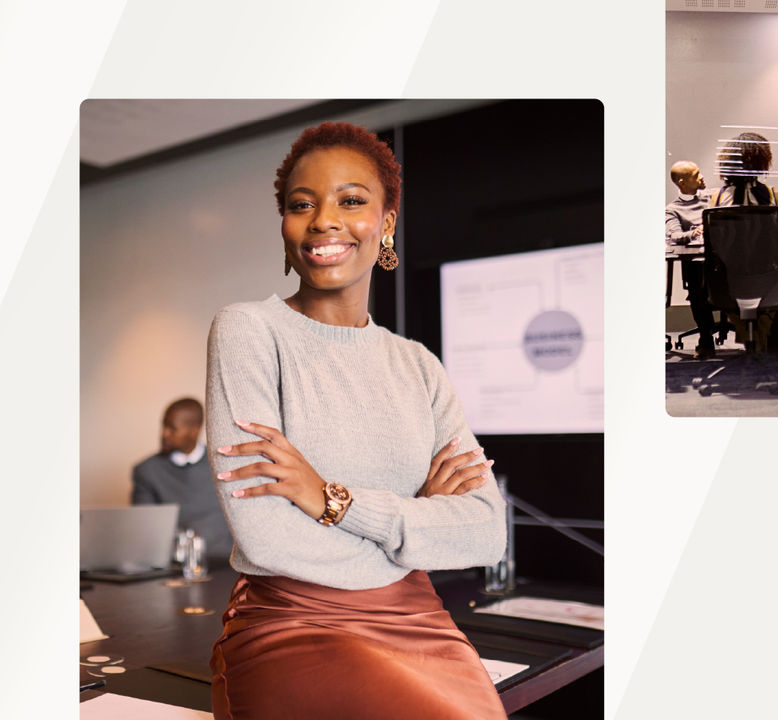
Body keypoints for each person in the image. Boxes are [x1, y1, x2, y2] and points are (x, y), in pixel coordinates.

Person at [205, 122, 507, 719]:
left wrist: (328, 499)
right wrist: (417, 522)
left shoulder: (417, 364)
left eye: (351, 200)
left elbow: (483, 531)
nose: (323, 220)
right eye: (301, 205)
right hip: (291, 623)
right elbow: (266, 536)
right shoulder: (247, 331)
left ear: (386, 222)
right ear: (286, 225)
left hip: (418, 618)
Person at [709, 132, 778, 351]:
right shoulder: (774, 195)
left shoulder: (718, 198)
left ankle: (747, 336)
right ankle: (760, 336)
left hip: (728, 282)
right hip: (768, 279)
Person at [131, 397, 233, 558]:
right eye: (164, 425)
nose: (165, 434)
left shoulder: (223, 464)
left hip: (224, 564)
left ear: (195, 431)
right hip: (173, 566)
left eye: (172, 429)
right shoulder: (146, 471)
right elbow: (144, 529)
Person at [665, 160, 718, 358]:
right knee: (697, 292)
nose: (702, 177)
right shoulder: (672, 209)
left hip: (721, 257)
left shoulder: (713, 197)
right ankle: (706, 338)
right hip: (697, 262)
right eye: (696, 175)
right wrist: (695, 232)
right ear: (682, 182)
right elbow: (675, 236)